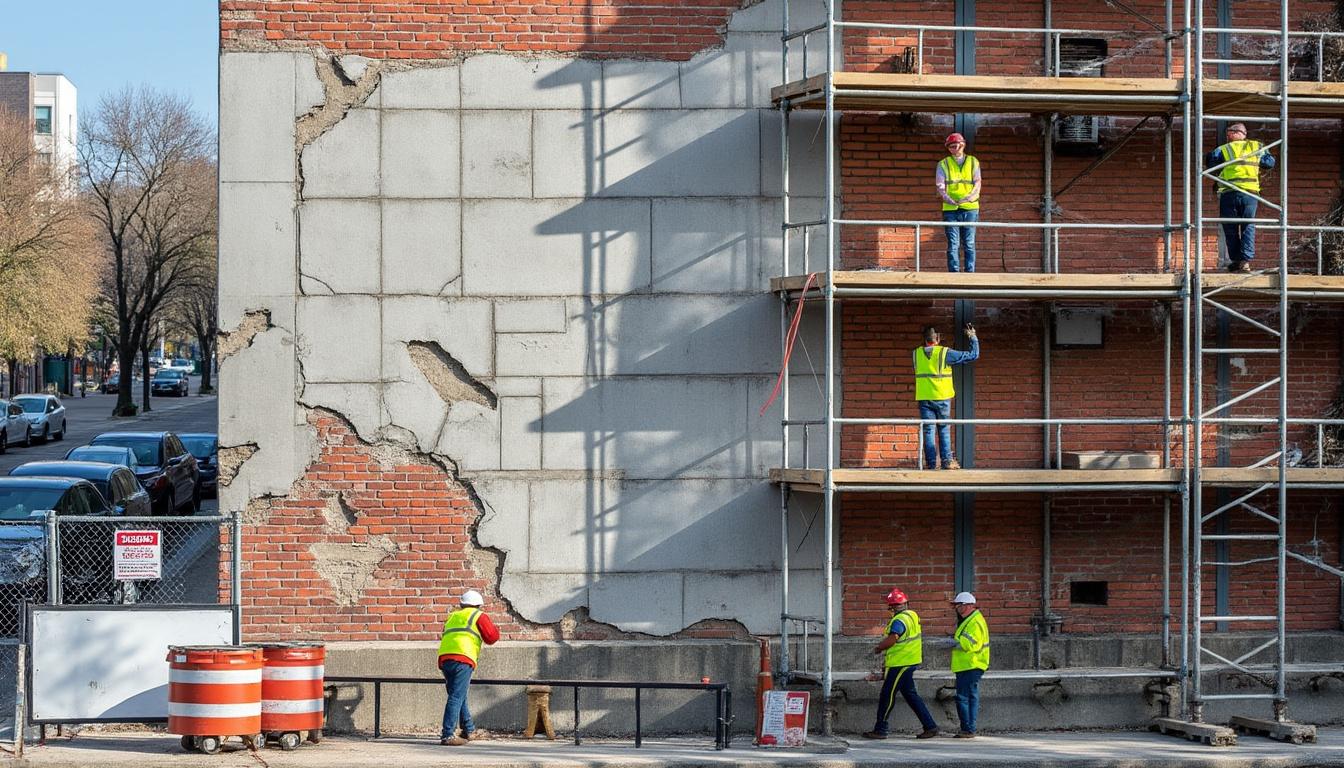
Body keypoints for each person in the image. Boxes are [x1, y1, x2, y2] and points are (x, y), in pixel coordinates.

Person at [863, 588, 940, 740]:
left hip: (901, 664)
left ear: (892, 607)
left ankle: (880, 729)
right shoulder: (912, 615)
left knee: (887, 695)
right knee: (911, 695)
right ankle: (930, 726)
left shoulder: (899, 620)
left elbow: (894, 638)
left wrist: (879, 648)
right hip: (909, 661)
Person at [1205, 122, 1275, 273]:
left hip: (1229, 193)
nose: (1227, 135)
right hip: (1250, 194)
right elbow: (1269, 163)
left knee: (1230, 227)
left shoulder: (1223, 149)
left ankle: (1237, 260)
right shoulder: (1257, 147)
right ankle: (1244, 261)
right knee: (1247, 225)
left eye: (1229, 132)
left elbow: (1210, 164)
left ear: (1235, 133)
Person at [437, 589, 500, 746]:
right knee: (457, 696)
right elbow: (491, 637)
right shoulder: (478, 616)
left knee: (459, 694)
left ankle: (468, 730)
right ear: (479, 605)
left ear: (461, 604)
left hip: (445, 659)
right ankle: (448, 734)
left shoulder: (452, 616)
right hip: (463, 659)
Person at [914, 324, 980, 470]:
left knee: (928, 430)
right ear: (937, 338)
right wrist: (972, 337)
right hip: (942, 398)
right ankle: (947, 462)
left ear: (924, 339)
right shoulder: (944, 353)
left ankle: (931, 464)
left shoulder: (916, 354)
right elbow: (973, 355)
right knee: (943, 429)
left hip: (924, 398)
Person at [947, 591, 990, 738]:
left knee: (963, 697)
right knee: (970, 696)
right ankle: (969, 728)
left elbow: (971, 644)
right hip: (971, 664)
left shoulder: (974, 621)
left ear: (968, 606)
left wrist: (953, 643)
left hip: (970, 664)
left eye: (958, 605)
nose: (956, 608)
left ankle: (967, 729)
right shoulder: (972, 619)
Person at [936, 132, 981, 272]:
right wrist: (951, 200)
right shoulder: (943, 164)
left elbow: (977, 183)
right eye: (951, 147)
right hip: (950, 209)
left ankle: (969, 275)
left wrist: (966, 199)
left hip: (970, 208)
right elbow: (940, 186)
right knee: (953, 244)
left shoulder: (973, 161)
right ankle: (954, 275)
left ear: (963, 145)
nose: (954, 149)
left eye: (957, 145)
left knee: (969, 243)